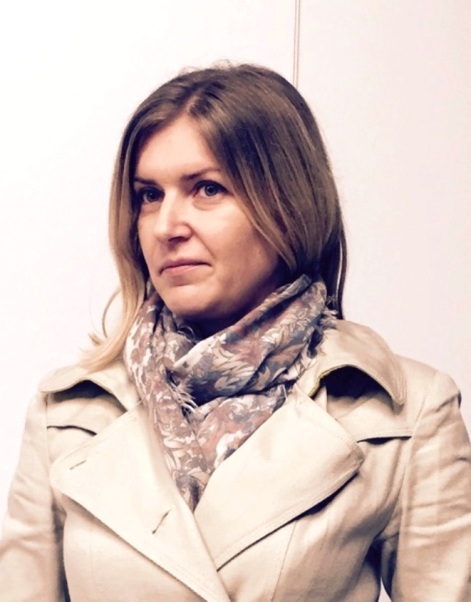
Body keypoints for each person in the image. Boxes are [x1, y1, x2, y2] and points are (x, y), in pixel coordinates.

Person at [0, 64, 470, 601]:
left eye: (207, 189)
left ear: (289, 205)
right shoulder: (67, 414)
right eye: (149, 195)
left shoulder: (406, 414)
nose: (165, 226)